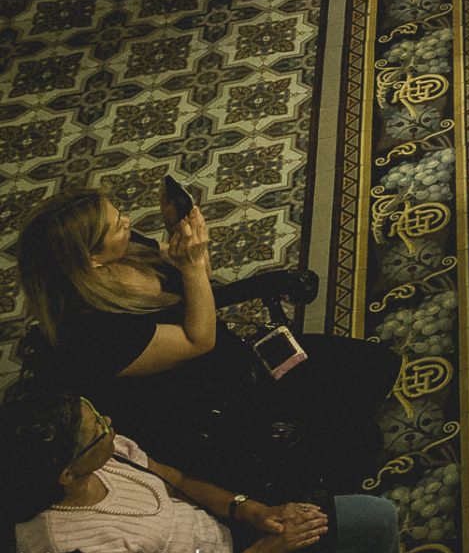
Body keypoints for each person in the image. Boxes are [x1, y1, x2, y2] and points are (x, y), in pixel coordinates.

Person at [13, 187, 400, 496]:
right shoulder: (90, 332)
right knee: (359, 439)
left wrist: (185, 248)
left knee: (377, 366)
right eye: (117, 224)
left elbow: (200, 290)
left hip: (236, 361)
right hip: (214, 410)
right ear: (92, 259)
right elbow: (200, 340)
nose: (128, 222)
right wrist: (194, 263)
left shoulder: (127, 250)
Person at [5, 389, 402, 553]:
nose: (110, 423)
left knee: (378, 516)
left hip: (233, 535)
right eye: (99, 428)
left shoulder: (109, 454)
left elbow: (176, 481)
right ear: (67, 474)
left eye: (96, 412)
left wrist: (250, 508)